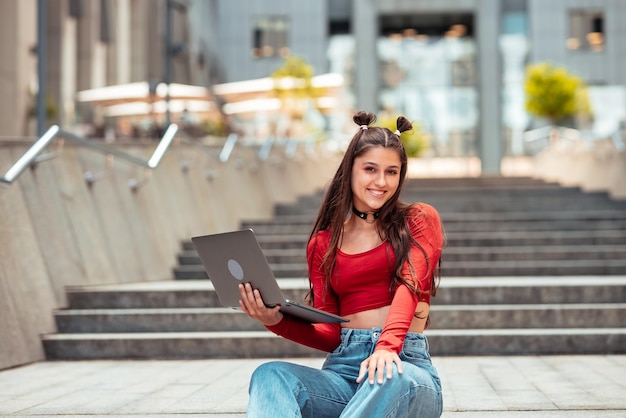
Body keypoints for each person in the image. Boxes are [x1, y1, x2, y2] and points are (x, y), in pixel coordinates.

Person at [238, 110, 445, 418]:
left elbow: (409, 286)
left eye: (392, 172)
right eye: (370, 169)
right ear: (350, 170)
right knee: (270, 375)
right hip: (344, 374)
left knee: (391, 374)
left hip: (406, 367)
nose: (381, 181)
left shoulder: (417, 219)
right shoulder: (324, 243)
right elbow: (330, 334)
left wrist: (387, 348)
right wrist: (274, 321)